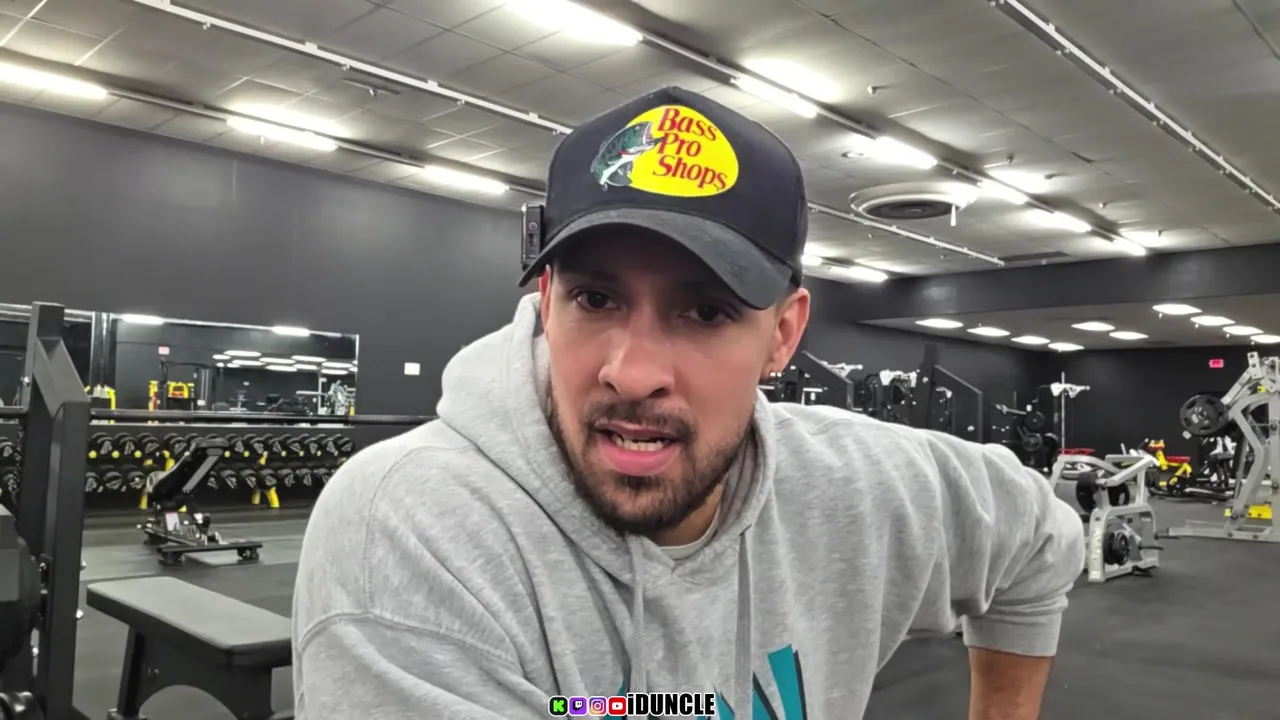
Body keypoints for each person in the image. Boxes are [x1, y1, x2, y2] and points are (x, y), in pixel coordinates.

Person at [292, 86, 1085, 719]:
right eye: (596, 299)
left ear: (782, 335)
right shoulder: (415, 525)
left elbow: (1040, 542)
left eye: (704, 312)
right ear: (546, 300)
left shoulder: (862, 484)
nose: (633, 373)